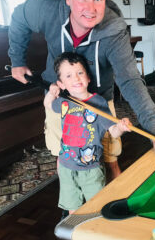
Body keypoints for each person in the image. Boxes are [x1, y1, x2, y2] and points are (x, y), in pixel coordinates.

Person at [8, 0, 155, 181]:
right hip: (60, 98)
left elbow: (130, 81)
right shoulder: (48, 10)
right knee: (64, 157)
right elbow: (19, 16)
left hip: (99, 100)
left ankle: (115, 203)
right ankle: (71, 208)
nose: (90, 8)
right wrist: (17, 60)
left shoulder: (114, 31)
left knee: (109, 156)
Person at [44, 52, 132, 214]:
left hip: (91, 168)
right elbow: (48, 105)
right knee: (73, 209)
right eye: (68, 76)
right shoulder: (64, 102)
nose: (76, 78)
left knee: (96, 208)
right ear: (61, 84)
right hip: (66, 167)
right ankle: (76, 235)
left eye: (80, 73)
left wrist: (121, 126)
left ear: (88, 78)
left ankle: (95, 234)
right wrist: (51, 92)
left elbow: (113, 132)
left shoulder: (98, 102)